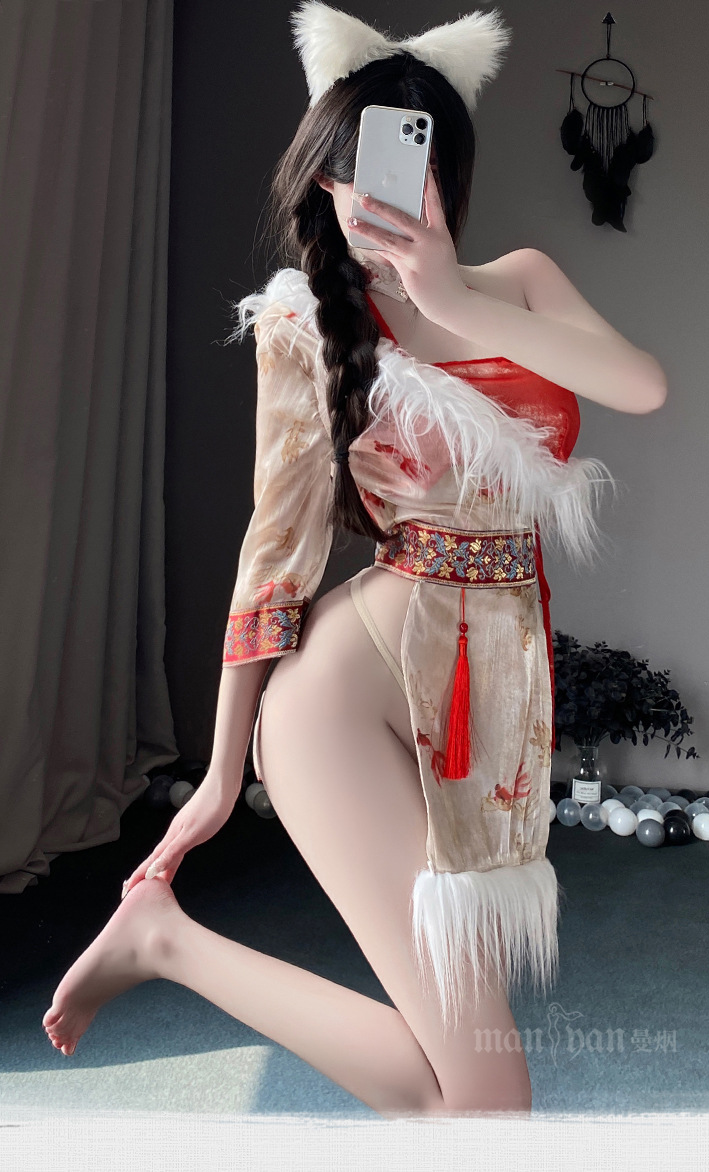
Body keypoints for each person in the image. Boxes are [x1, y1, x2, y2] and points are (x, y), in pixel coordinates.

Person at [41, 3, 666, 1117]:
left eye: (407, 162)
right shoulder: (307, 325)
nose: (373, 192)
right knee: (488, 1103)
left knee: (469, 1100)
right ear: (324, 180)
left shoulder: (520, 280)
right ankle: (168, 944)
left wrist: (450, 296)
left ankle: (162, 940)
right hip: (340, 701)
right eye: (349, 168)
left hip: (471, 696)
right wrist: (222, 774)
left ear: (445, 173)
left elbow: (641, 386)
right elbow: (275, 546)